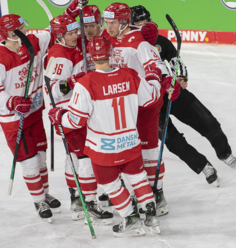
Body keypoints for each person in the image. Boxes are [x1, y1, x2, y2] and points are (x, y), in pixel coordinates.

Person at [48, 36, 169, 236]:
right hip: (130, 142)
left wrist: (60, 116)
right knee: (138, 179)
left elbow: (77, 121)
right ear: (111, 53)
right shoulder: (129, 75)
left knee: (111, 185)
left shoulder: (85, 83)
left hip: (103, 147)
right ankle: (150, 215)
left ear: (92, 58)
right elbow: (151, 98)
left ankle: (130, 218)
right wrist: (154, 77)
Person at [130, 5, 236, 187]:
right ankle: (204, 167)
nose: (144, 27)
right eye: (138, 24)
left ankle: (225, 153)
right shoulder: (128, 48)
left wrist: (179, 78)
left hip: (172, 92)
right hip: (149, 103)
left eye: (146, 22)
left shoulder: (159, 41)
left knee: (208, 121)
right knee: (173, 141)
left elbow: (175, 61)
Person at [102, 2, 181, 216]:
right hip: (119, 107)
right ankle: (133, 190)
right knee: (123, 152)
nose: (107, 26)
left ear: (124, 22)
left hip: (143, 106)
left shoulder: (140, 43)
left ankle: (157, 191)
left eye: (112, 22)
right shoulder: (107, 37)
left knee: (149, 152)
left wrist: (167, 84)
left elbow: (157, 67)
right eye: (106, 22)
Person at [46, 14, 112, 224]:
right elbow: (53, 91)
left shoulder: (73, 48)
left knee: (74, 158)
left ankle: (76, 198)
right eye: (71, 33)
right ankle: (89, 201)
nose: (76, 35)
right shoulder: (59, 55)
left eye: (77, 31)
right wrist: (72, 81)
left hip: (80, 111)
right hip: (68, 114)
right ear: (59, 36)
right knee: (83, 157)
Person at [0, 14, 60, 223]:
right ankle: (39, 201)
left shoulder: (32, 43)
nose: (26, 30)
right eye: (21, 28)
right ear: (10, 34)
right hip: (14, 120)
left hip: (34, 113)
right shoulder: (0, 57)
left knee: (41, 158)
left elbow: (52, 31)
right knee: (31, 162)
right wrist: (11, 102)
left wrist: (72, 11)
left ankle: (44, 194)